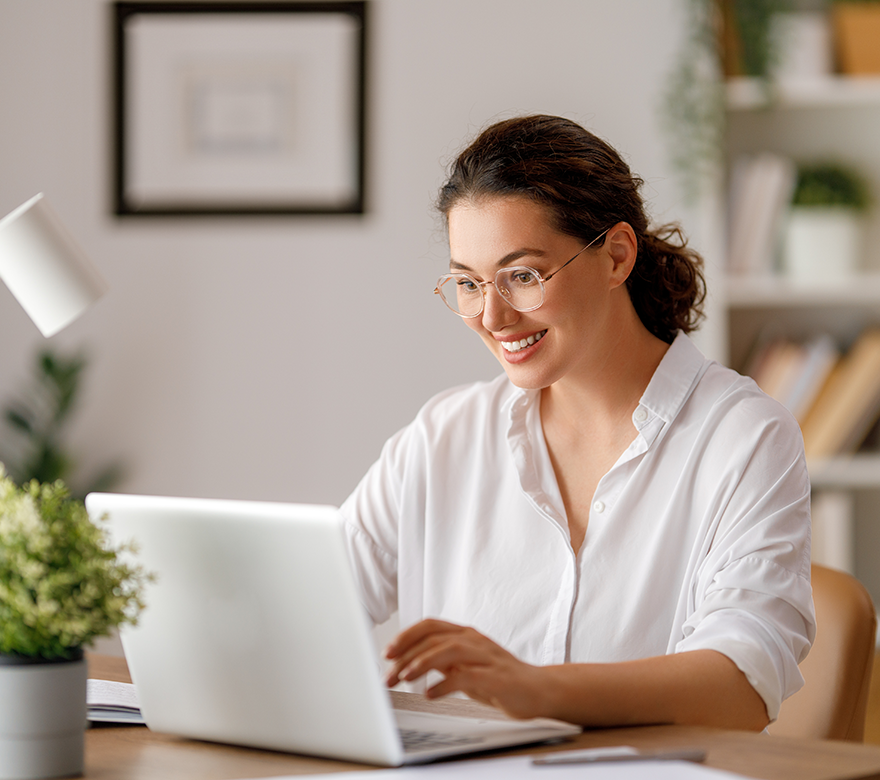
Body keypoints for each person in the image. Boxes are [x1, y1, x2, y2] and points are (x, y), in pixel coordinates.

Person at [340, 115, 814, 731]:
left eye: (523, 275)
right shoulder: (442, 437)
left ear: (616, 255)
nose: (493, 315)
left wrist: (537, 690)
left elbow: (740, 686)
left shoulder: (744, 438)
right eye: (468, 282)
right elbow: (308, 605)